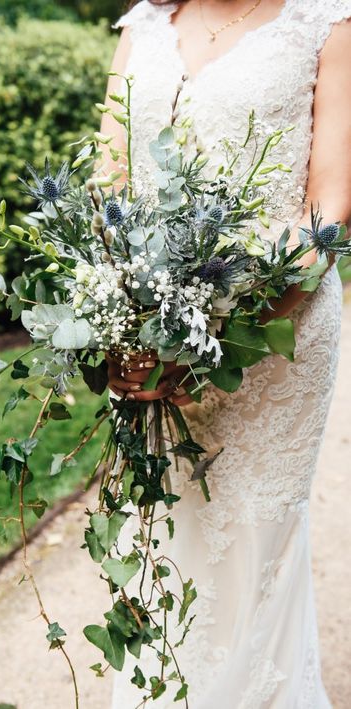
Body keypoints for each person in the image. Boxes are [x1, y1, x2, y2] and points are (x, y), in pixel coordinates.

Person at [99, 1, 351, 706]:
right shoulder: (143, 25)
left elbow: (328, 212)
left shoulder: (326, 22)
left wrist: (217, 337)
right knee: (166, 547)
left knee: (248, 554)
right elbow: (110, 185)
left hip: (276, 341)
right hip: (151, 340)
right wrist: (120, 324)